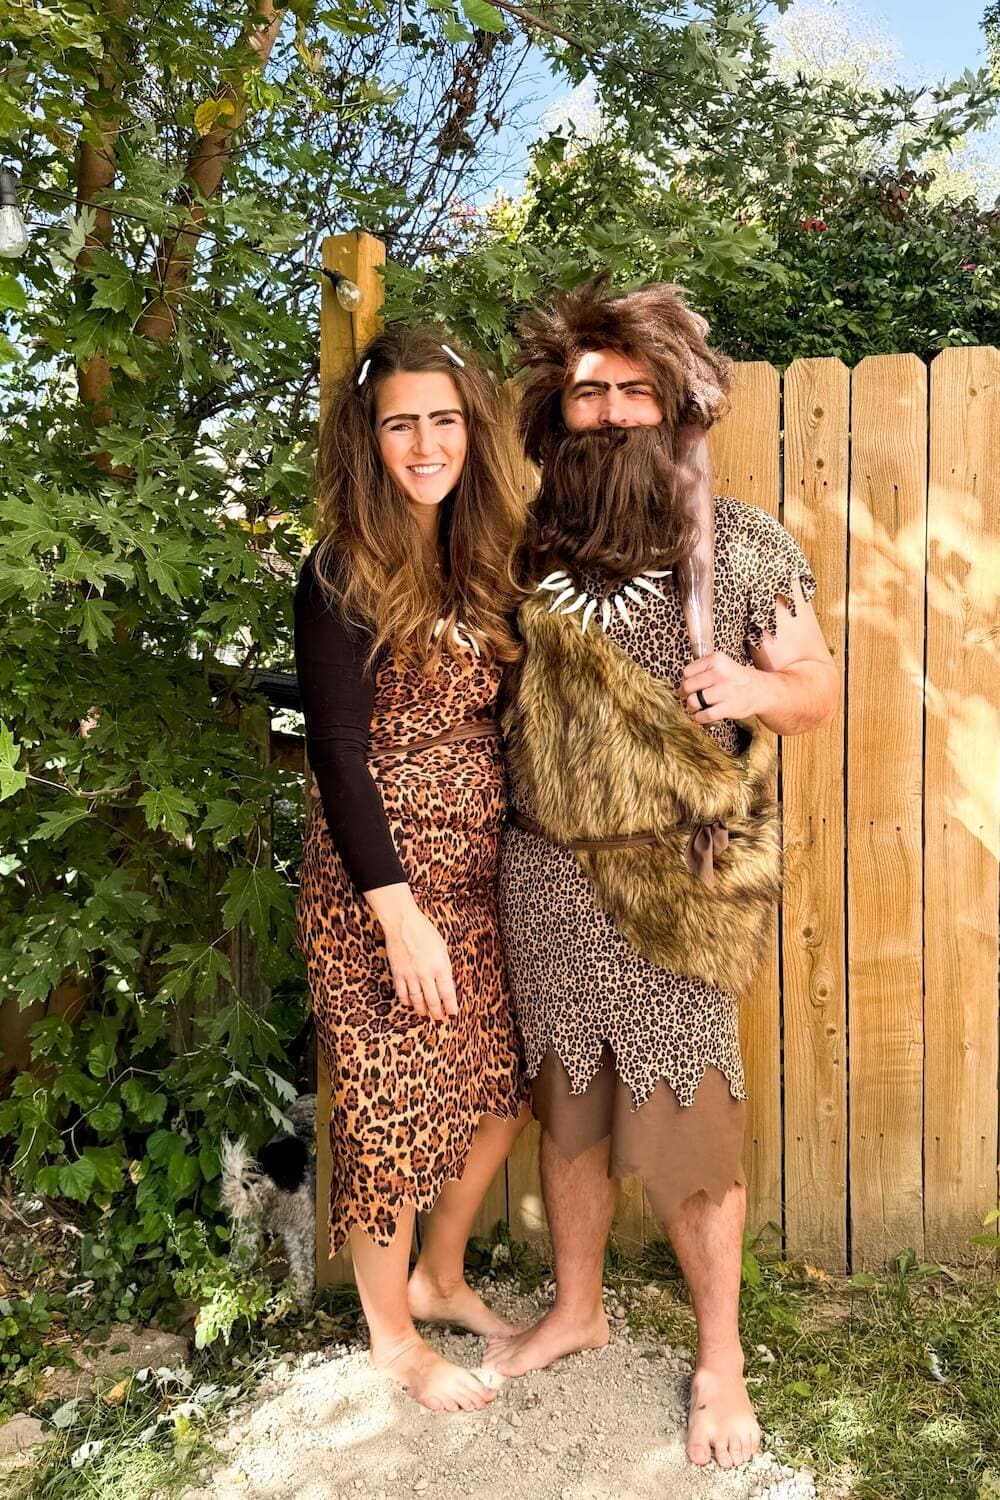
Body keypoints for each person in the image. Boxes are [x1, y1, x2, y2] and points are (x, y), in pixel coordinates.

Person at [485, 274, 839, 1469]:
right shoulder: (516, 553)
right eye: (589, 394)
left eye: (633, 390)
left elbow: (816, 690)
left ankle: (719, 1360)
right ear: (556, 411)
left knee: (689, 1134)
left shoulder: (739, 545)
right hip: (544, 877)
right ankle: (577, 1312)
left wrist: (750, 685)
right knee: (569, 1115)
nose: (611, 412)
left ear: (674, 403)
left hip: (678, 883)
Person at [294, 326, 532, 1414]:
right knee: (388, 1105)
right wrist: (398, 919)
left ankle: (440, 1277)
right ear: (369, 437)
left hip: (477, 877)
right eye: (401, 424)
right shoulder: (340, 570)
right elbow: (338, 754)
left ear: (471, 431)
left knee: (499, 1090)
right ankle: (391, 1336)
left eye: (444, 420)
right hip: (377, 887)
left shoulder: (483, 560)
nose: (426, 443)